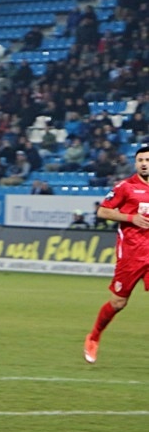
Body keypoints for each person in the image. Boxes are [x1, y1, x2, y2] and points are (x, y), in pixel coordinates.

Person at [84, 145, 149, 364]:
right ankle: (94, 336)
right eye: (140, 160)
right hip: (131, 253)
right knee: (119, 303)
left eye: (147, 160)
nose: (144, 163)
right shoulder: (126, 187)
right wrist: (131, 219)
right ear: (135, 163)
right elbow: (102, 211)